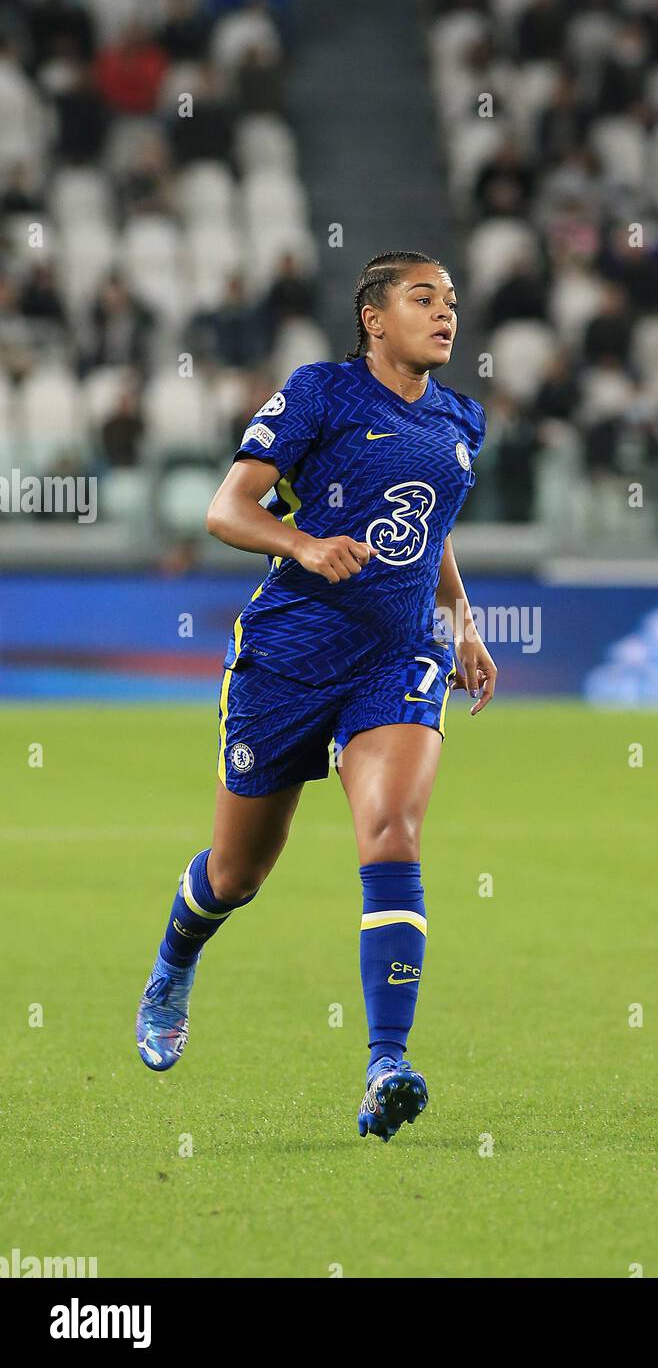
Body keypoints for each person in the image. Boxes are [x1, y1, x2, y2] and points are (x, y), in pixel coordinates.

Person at [135, 252, 497, 1143]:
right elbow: (227, 509)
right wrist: (303, 545)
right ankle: (176, 957)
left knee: (392, 833)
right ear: (374, 317)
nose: (444, 315)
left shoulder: (461, 419)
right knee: (237, 874)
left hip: (397, 657)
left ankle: (386, 1065)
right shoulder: (320, 392)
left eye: (450, 302)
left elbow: (430, 526)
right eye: (423, 299)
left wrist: (460, 619)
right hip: (288, 659)